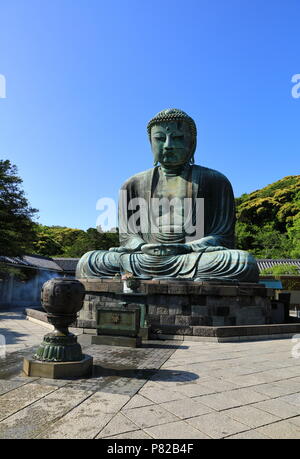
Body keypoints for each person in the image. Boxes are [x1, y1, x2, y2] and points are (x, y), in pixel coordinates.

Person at [76, 108, 259, 282]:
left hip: (192, 257)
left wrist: (188, 247)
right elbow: (127, 236)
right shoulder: (132, 184)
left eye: (178, 138)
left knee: (242, 262)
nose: (169, 145)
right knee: (90, 261)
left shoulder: (215, 181)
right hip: (145, 258)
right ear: (151, 143)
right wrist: (142, 246)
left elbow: (222, 236)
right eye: (160, 138)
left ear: (192, 143)